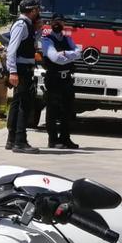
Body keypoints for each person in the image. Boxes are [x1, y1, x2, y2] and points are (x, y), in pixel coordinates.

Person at [5, 0, 41, 153]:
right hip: (21, 69)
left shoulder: (28, 25)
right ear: (32, 11)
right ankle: (20, 141)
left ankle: (12, 139)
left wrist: (37, 30)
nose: (38, 13)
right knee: (23, 105)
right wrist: (12, 71)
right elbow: (12, 49)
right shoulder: (21, 24)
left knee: (17, 103)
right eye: (37, 10)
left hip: (23, 68)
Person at [41, 16, 82, 149]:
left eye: (59, 22)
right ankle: (53, 140)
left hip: (67, 79)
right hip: (53, 79)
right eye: (55, 22)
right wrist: (69, 56)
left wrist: (64, 53)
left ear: (63, 24)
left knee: (67, 110)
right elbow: (55, 58)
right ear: (51, 24)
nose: (57, 25)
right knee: (53, 109)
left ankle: (65, 138)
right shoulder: (47, 39)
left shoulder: (67, 38)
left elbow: (79, 53)